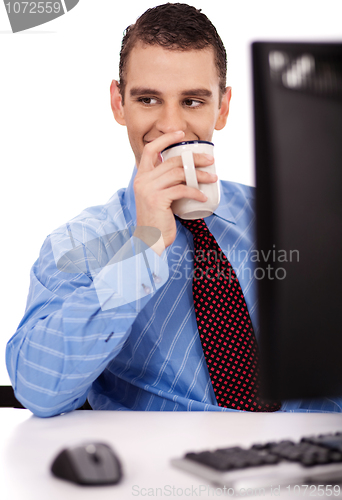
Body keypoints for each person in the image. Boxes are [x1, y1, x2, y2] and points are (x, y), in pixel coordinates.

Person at [6, 3, 342, 417]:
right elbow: (38, 389)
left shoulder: (288, 218)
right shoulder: (78, 243)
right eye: (148, 99)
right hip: (176, 468)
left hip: (313, 459)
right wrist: (144, 246)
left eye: (193, 101)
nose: (171, 127)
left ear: (222, 108)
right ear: (118, 103)